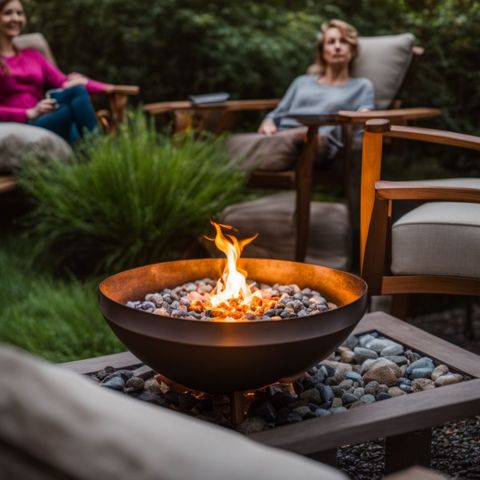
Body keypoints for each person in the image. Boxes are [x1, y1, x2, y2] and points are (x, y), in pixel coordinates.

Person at [228, 19, 375, 172]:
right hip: (283, 135)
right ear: (322, 50)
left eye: (343, 41)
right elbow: (277, 114)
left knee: (300, 138)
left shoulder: (361, 86)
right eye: (331, 42)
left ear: (352, 49)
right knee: (231, 142)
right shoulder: (302, 82)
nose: (337, 47)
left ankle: (238, 162)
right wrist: (268, 122)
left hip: (317, 140)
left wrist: (363, 116)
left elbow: (365, 115)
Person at [0, 0, 114, 144]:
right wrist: (28, 113)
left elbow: (64, 82)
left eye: (19, 13)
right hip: (19, 125)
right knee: (73, 106)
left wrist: (108, 88)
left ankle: (94, 156)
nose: (15, 18)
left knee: (75, 92)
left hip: (42, 118)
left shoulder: (32, 56)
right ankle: (100, 153)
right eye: (8, 13)